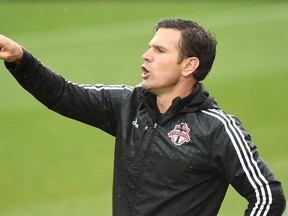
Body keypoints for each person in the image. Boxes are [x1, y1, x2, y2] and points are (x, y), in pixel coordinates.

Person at [0, 18, 286, 216]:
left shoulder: (217, 129)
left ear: (189, 65)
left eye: (159, 50)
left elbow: (267, 195)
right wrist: (19, 58)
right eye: (150, 47)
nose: (146, 55)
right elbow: (63, 94)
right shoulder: (129, 104)